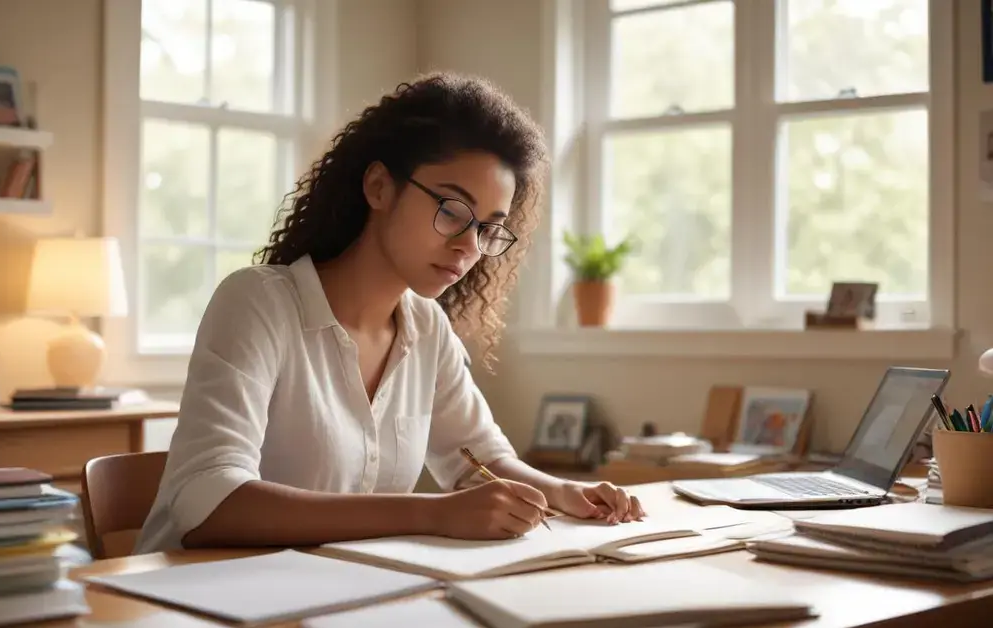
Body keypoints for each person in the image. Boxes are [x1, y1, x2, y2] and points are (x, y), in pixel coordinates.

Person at [134, 72, 645, 554]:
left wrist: (563, 491)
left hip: (336, 597)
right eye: (451, 209)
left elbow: (480, 461)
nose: (469, 246)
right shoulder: (258, 303)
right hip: (194, 600)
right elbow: (208, 505)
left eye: (488, 227)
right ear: (379, 187)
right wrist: (433, 514)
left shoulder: (426, 327)